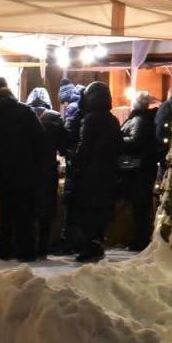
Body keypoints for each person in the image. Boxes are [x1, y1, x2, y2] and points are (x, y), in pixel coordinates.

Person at [0, 76, 49, 261]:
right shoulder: (25, 111)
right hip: (26, 173)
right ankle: (26, 253)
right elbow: (41, 141)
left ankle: (5, 251)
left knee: (4, 215)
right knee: (25, 215)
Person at [65, 80, 121, 263]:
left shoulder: (90, 119)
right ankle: (97, 243)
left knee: (87, 211)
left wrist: (73, 160)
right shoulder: (112, 119)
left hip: (90, 174)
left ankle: (89, 247)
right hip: (108, 173)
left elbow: (84, 146)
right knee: (101, 212)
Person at [24, 86, 68, 258]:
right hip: (48, 170)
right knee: (46, 210)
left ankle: (27, 248)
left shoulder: (24, 116)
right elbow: (63, 147)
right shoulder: (55, 117)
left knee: (27, 210)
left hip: (26, 169)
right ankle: (42, 248)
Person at [119, 91, 159, 252]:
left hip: (137, 169)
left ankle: (140, 239)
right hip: (140, 168)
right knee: (140, 206)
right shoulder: (143, 119)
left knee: (140, 206)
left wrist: (117, 139)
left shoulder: (138, 119)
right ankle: (139, 238)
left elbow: (135, 141)